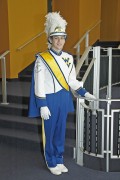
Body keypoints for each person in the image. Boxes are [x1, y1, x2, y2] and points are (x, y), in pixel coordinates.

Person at [28, 12, 96, 175]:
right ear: (50, 39)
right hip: (49, 100)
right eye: (56, 38)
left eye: (62, 38)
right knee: (50, 132)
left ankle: (59, 159)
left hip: (63, 97)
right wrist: (42, 105)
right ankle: (51, 161)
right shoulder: (42, 59)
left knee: (60, 131)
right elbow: (39, 84)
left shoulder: (68, 58)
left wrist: (84, 92)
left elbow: (71, 79)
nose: (59, 41)